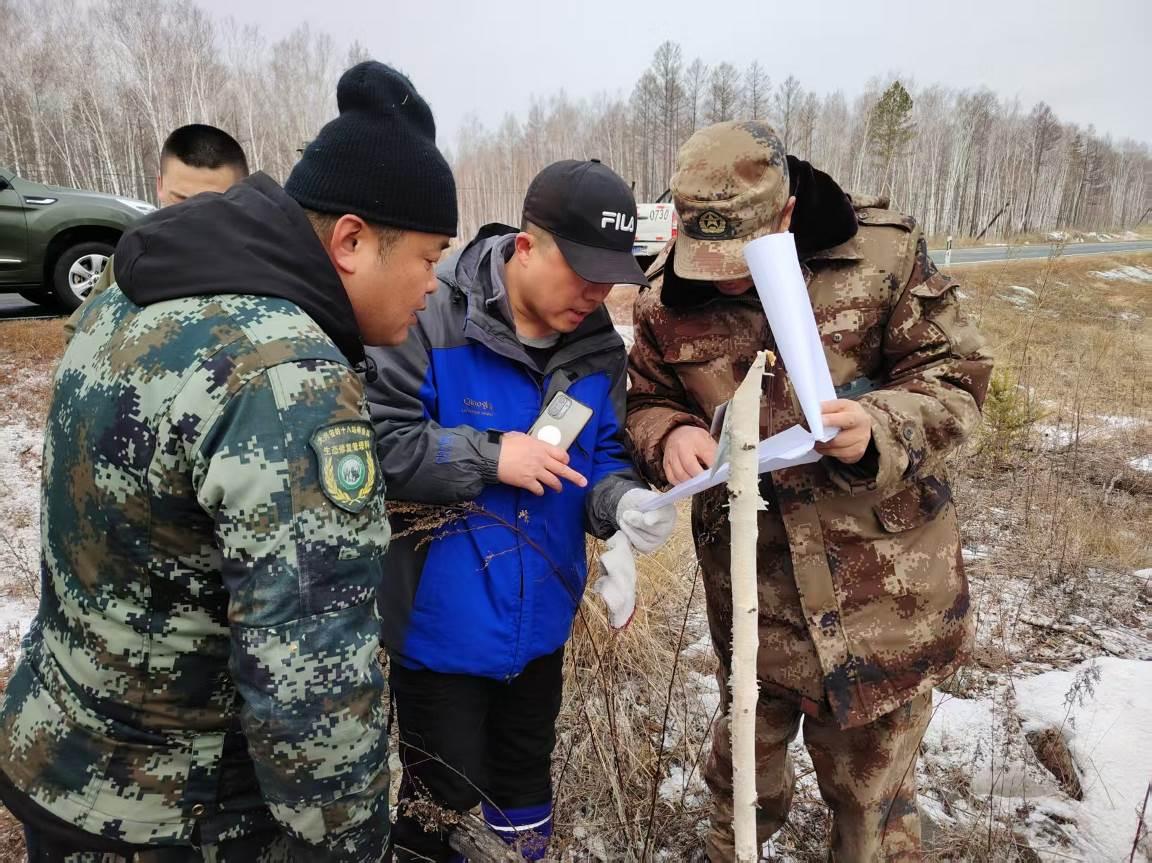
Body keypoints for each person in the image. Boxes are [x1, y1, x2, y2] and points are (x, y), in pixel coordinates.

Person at [0, 61, 457, 862]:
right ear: (351, 241)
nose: (434, 286)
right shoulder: (287, 375)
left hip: (61, 755)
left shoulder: (138, 290)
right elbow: (309, 675)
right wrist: (351, 843)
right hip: (180, 814)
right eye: (429, 257)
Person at [625, 120, 992, 862]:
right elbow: (645, 398)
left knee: (872, 815)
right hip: (753, 600)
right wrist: (669, 434)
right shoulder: (664, 298)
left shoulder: (883, 257)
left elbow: (957, 381)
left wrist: (880, 425)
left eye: (742, 258)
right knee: (740, 797)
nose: (724, 281)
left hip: (881, 599)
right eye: (709, 258)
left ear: (786, 212)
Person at [365, 159, 677, 861]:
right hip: (438, 630)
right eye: (583, 271)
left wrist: (622, 503)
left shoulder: (596, 346)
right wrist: (488, 456)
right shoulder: (428, 313)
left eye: (611, 277)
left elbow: (600, 455)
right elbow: (378, 443)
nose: (597, 294)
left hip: (541, 624)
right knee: (441, 799)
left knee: (524, 786)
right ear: (527, 247)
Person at [64, 123, 249, 338]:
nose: (194, 214)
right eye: (181, 199)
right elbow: (77, 332)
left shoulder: (265, 257)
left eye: (212, 202)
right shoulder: (131, 260)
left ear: (244, 194)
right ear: (159, 186)